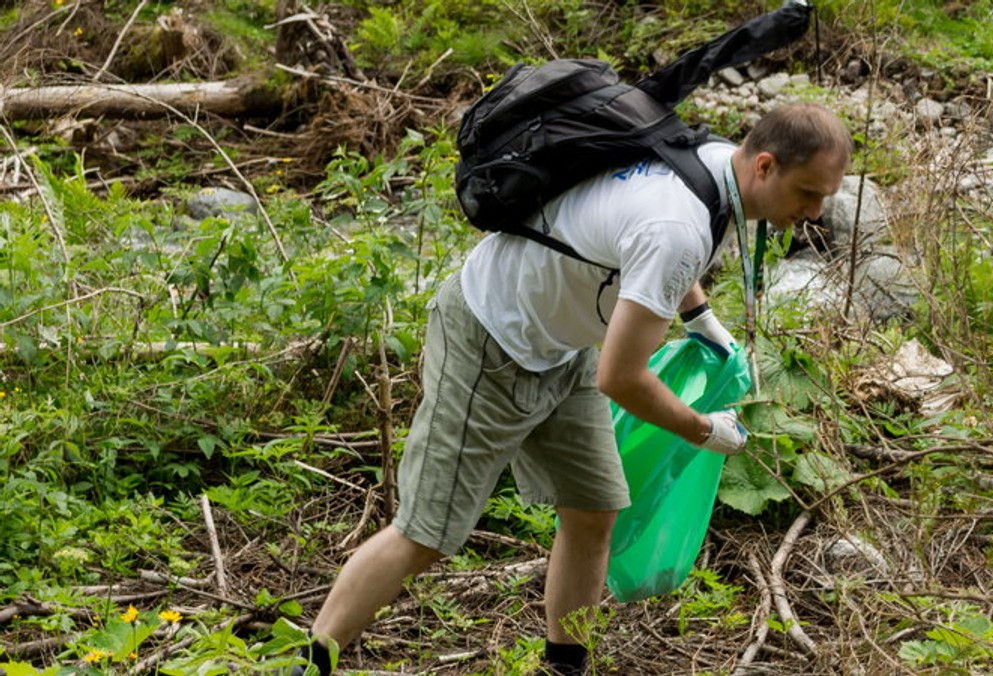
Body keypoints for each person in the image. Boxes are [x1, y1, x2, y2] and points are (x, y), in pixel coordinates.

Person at [287, 102, 851, 675]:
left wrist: (699, 316)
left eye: (826, 196)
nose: (814, 211)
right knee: (426, 533)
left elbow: (651, 255)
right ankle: (312, 663)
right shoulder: (677, 226)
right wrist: (701, 430)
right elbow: (622, 376)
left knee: (594, 508)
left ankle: (563, 667)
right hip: (492, 335)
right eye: (808, 193)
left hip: (563, 343)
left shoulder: (711, 166)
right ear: (764, 165)